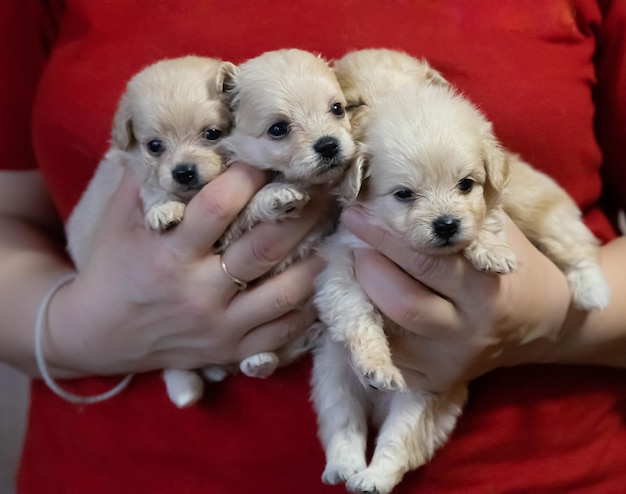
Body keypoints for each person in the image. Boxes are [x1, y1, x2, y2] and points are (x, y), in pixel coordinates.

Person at [1, 1, 625, 492]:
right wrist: (69, 329)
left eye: (338, 110)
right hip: (116, 473)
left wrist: (556, 320)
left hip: (531, 468)